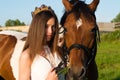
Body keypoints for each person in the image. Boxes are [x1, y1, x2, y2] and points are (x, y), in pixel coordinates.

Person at [18, 4, 64, 80]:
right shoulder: (27, 55)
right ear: (37, 27)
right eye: (46, 26)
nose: (51, 31)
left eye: (53, 27)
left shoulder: (57, 50)